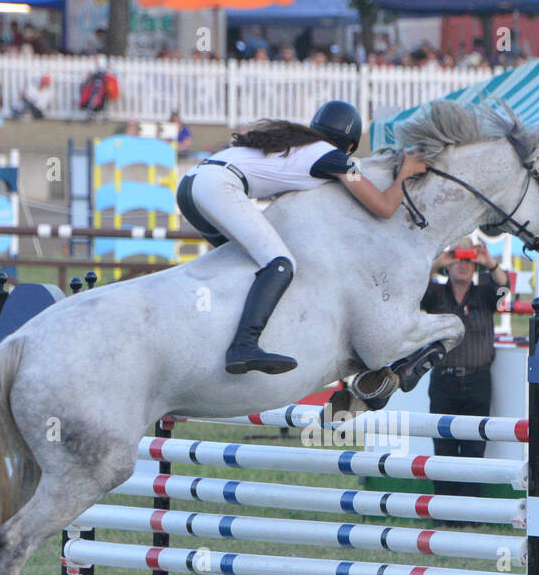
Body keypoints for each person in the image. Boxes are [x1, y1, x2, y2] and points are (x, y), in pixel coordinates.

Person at [175, 100, 428, 375]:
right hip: (216, 186)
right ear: (351, 146)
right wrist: (406, 172)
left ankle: (212, 333)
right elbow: (384, 207)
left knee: (240, 268)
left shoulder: (299, 144)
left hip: (191, 183)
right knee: (280, 263)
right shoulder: (336, 157)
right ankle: (243, 345)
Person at [419, 237, 509, 506]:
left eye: (469, 260)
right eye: (458, 258)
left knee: (474, 448)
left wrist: (490, 263)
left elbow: (505, 289)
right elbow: (411, 289)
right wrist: (436, 264)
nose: (463, 265)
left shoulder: (484, 294)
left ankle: (468, 511)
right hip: (444, 379)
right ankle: (444, 509)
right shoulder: (435, 294)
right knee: (443, 446)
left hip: (478, 379)